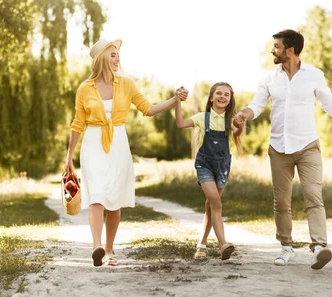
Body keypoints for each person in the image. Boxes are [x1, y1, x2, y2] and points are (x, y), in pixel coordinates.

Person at [233, 29, 332, 270]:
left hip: (308, 145)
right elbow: (256, 105)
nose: (273, 50)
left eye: (277, 46)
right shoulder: (269, 78)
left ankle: (320, 246)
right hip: (279, 147)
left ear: (290, 51)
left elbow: (331, 105)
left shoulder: (314, 75)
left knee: (313, 194)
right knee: (282, 201)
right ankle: (286, 247)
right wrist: (242, 115)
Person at [64, 38, 188, 267]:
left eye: (118, 55)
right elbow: (77, 124)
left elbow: (148, 109)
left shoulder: (126, 84)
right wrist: (69, 157)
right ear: (101, 58)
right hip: (93, 143)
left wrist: (174, 99)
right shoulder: (84, 88)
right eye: (112, 55)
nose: (117, 59)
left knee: (115, 199)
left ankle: (109, 250)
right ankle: (97, 247)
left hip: (118, 143)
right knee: (97, 195)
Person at [174, 82, 243, 260]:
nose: (222, 97)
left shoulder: (230, 119)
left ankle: (201, 246)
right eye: (218, 93)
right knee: (216, 203)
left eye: (226, 94)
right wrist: (177, 101)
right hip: (204, 164)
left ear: (230, 99)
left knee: (210, 206)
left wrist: (240, 125)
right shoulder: (202, 117)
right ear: (211, 97)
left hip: (222, 166)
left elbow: (237, 132)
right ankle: (223, 245)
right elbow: (180, 123)